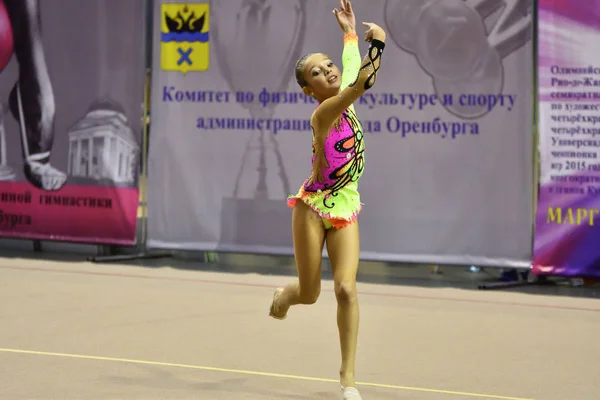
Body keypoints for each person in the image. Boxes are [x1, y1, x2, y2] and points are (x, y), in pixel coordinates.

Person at [269, 1, 386, 398]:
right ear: (309, 89)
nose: (328, 71)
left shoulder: (345, 89)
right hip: (313, 207)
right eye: (317, 72)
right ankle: (287, 295)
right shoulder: (325, 113)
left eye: (328, 65)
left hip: (346, 204)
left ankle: (347, 378)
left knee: (346, 289)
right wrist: (381, 44)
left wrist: (350, 32)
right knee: (311, 293)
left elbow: (352, 67)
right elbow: (360, 83)